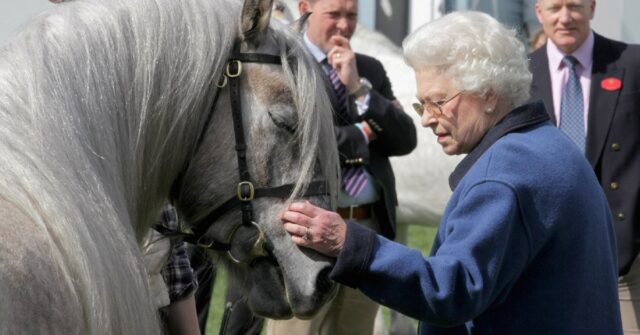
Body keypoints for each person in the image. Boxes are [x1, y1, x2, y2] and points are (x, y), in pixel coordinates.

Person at [279, 11, 622, 335]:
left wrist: (347, 243)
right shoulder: (550, 145)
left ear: (488, 95)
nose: (426, 118)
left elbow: (451, 290)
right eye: (421, 105)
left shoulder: (503, 175)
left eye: (438, 102)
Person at [267, 0, 417, 334]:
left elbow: (404, 139)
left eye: (351, 16)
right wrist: (367, 131)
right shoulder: (283, 66)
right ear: (305, 7)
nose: (344, 26)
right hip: (305, 236)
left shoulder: (369, 70)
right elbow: (302, 137)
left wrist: (359, 89)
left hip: (365, 232)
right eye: (334, 14)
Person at [528, 1, 640, 332]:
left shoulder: (632, 63)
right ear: (539, 12)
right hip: (542, 253)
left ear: (592, 7)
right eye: (555, 7)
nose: (565, 18)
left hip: (624, 258)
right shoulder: (518, 73)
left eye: (574, 6)